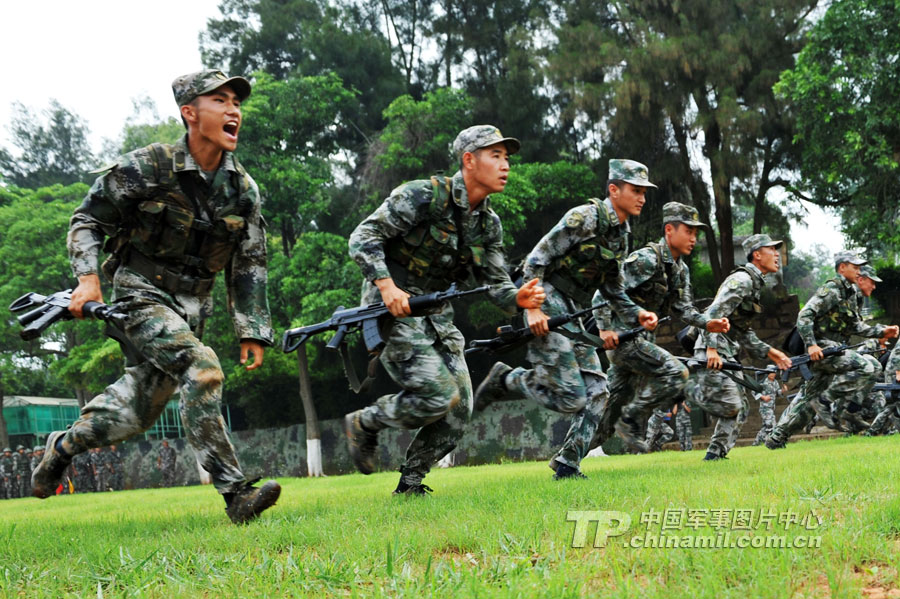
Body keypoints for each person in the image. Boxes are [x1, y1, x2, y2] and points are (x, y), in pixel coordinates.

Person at [31, 70, 280, 524]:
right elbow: (88, 219)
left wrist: (252, 329)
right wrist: (87, 279)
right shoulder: (149, 166)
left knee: (138, 411)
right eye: (220, 101)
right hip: (139, 293)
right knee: (203, 372)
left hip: (193, 307)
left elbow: (250, 264)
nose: (233, 111)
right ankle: (236, 494)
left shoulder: (242, 191)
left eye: (236, 103)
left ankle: (62, 447)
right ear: (190, 113)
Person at [345, 125, 547, 495]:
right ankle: (365, 422)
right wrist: (387, 286)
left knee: (459, 410)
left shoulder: (489, 224)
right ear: (469, 160)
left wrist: (518, 299)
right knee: (437, 395)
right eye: (496, 156)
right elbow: (362, 237)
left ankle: (410, 485)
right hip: (390, 310)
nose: (506, 166)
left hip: (436, 316)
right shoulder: (422, 196)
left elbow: (497, 282)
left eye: (507, 158)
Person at [474, 159, 659, 479]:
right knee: (571, 395)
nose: (642, 197)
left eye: (644, 191)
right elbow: (536, 259)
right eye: (636, 190)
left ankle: (568, 462)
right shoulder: (583, 218)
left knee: (599, 392)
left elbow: (613, 289)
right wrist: (532, 308)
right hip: (547, 298)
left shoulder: (621, 236)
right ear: (614, 190)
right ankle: (507, 379)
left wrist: (638, 313)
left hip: (575, 310)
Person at [588, 201, 729, 453]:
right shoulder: (646, 260)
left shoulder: (680, 270)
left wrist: (708, 323)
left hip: (641, 345)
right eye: (688, 231)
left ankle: (566, 459)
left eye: (696, 233)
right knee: (677, 372)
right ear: (669, 230)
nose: (693, 238)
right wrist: (604, 328)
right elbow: (604, 292)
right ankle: (630, 417)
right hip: (624, 341)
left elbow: (682, 309)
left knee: (609, 415)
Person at [767, 253, 898, 448]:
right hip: (821, 349)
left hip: (833, 351)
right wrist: (811, 344)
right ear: (842, 268)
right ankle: (828, 401)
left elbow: (856, 327)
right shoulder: (831, 289)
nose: (858, 271)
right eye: (855, 266)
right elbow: (804, 315)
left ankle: (776, 437)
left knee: (806, 400)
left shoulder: (850, 295)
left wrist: (881, 330)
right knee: (870, 366)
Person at [689, 234, 792, 460]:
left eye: (777, 250)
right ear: (757, 255)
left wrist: (771, 352)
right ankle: (685, 390)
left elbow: (743, 330)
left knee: (742, 406)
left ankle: (715, 454)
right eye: (771, 249)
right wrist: (711, 349)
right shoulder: (742, 281)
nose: (776, 254)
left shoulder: (754, 284)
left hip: (727, 349)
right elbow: (713, 314)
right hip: (714, 348)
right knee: (732, 402)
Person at [751, 371, 782, 446]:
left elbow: (778, 392)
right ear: (767, 373)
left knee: (766, 426)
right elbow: (753, 391)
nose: (772, 374)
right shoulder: (762, 382)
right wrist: (763, 397)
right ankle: (769, 442)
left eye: (774, 372)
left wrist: (783, 390)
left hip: (771, 407)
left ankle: (756, 442)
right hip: (765, 408)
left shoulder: (775, 382)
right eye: (770, 373)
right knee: (770, 425)